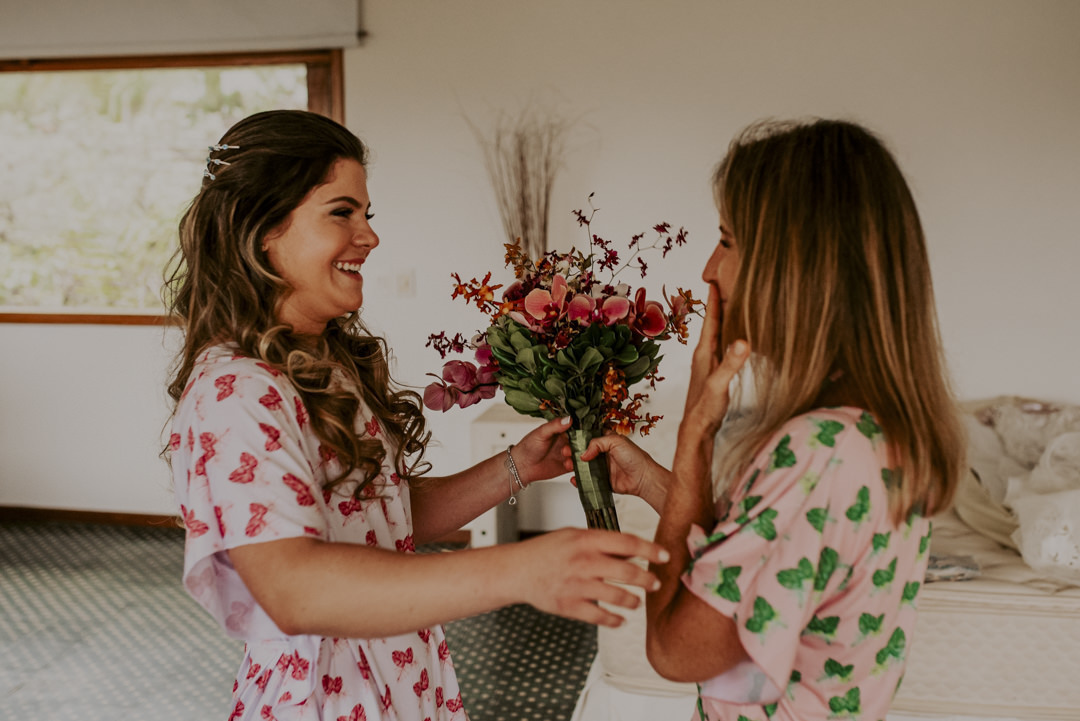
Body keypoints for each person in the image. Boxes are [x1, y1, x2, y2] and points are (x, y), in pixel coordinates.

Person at [162, 109, 668, 721]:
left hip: (399, 679)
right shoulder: (235, 392)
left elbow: (384, 517)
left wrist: (516, 466)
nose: (369, 237)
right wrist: (520, 570)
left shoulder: (324, 364)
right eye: (341, 212)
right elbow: (294, 589)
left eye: (367, 215)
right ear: (261, 227)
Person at [581, 118, 967, 721]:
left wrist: (695, 435)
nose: (709, 269)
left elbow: (675, 651)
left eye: (727, 240)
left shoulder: (818, 451)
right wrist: (662, 484)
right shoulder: (873, 433)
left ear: (796, 265)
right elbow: (760, 559)